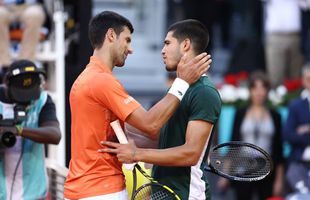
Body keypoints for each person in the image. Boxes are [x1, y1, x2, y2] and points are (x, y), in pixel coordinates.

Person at [63, 11, 211, 200]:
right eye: (126, 40)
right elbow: (150, 125)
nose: (130, 48)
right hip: (102, 191)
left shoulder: (85, 78)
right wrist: (181, 82)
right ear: (110, 35)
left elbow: (137, 134)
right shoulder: (102, 81)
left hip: (82, 189)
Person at [100, 19, 221, 200]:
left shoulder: (204, 92)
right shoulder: (180, 89)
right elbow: (165, 142)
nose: (162, 50)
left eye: (167, 43)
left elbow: (191, 153)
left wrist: (136, 154)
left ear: (185, 45)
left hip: (186, 195)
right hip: (163, 193)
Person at [218, 71, 285, 199]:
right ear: (250, 91)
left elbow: (279, 150)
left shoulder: (275, 116)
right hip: (243, 169)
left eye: (262, 88)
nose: (259, 92)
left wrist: (279, 180)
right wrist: (226, 174)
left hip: (267, 170)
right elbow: (233, 143)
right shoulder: (241, 113)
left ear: (267, 91)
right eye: (255, 88)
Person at [0, 59, 61, 200]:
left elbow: (55, 135)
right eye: (21, 95)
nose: (26, 101)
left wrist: (19, 130)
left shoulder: (42, 100)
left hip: (34, 194)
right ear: (7, 83)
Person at [283, 64, 310, 194]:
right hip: (299, 163)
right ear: (303, 81)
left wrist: (305, 130)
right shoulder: (296, 105)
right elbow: (288, 135)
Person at [0, 0, 46, 69]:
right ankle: (4, 66)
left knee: (35, 15)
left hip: (30, 5)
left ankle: (24, 65)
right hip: (6, 6)